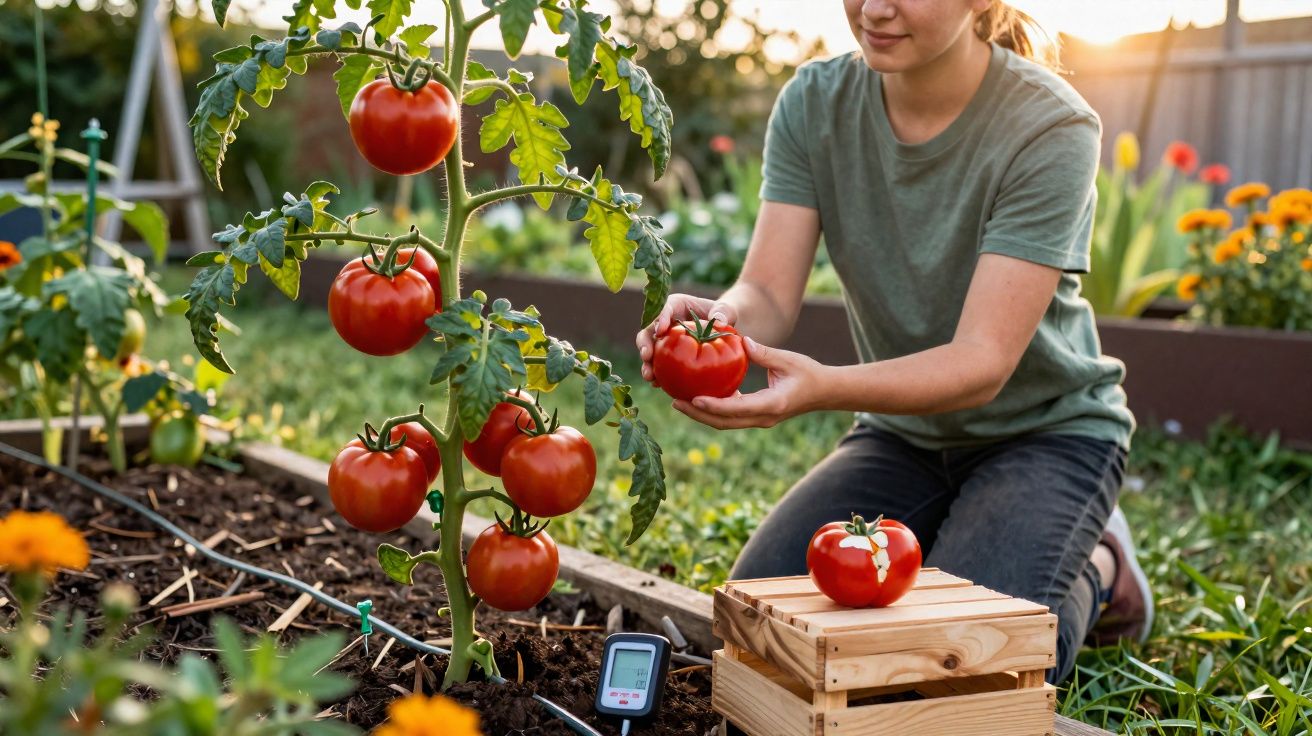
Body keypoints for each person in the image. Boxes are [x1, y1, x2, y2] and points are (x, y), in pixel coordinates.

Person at [635, 0, 1153, 683]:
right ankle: (968, 540)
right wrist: (720, 321)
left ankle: (1101, 566)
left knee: (969, 672)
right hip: (902, 434)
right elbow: (767, 293)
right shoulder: (816, 104)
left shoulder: (1049, 125)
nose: (874, 9)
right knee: (767, 638)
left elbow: (981, 364)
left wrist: (821, 388)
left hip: (1046, 437)